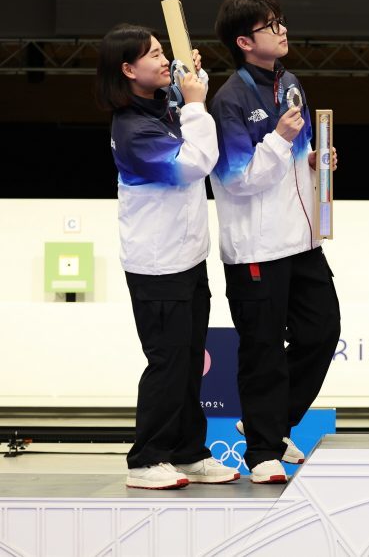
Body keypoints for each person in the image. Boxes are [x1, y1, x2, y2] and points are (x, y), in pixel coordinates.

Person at [210, 0, 341, 484]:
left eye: (281, 20)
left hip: (302, 240)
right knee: (262, 347)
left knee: (322, 329)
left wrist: (311, 160)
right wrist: (281, 139)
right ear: (245, 41)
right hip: (256, 247)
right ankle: (263, 451)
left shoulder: (291, 83)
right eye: (270, 25)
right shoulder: (230, 100)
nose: (282, 30)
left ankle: (271, 420)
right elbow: (238, 180)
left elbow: (290, 159)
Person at [100, 24, 239, 489]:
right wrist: (197, 103)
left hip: (187, 257)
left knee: (188, 358)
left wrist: (187, 90)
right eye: (154, 55)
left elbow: (191, 131)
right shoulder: (134, 128)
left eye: (164, 51)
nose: (164, 60)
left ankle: (188, 452)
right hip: (157, 266)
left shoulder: (159, 107)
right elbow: (193, 166)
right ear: (127, 69)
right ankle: (146, 459)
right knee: (168, 362)